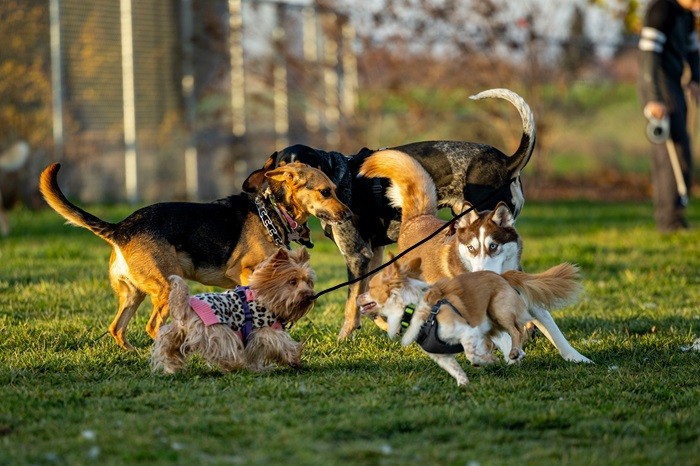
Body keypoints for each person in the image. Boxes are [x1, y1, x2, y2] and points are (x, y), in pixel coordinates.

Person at [638, 0, 700, 232]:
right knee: (669, 155)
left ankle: (676, 214)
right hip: (659, 87)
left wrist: (696, 79)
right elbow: (648, 57)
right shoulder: (661, 10)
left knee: (682, 150)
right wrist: (654, 98)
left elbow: (692, 51)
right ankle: (668, 220)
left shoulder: (686, 15)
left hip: (674, 84)